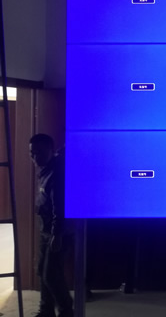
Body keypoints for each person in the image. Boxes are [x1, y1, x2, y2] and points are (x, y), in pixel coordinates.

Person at [29, 134, 73, 317]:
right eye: (32, 153)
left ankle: (66, 311)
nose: (35, 157)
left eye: (39, 153)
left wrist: (57, 234)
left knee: (50, 274)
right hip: (46, 229)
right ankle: (46, 311)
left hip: (57, 231)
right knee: (42, 271)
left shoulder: (57, 172)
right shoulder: (46, 169)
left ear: (50, 150)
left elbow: (59, 206)